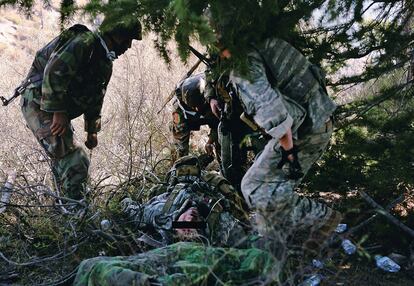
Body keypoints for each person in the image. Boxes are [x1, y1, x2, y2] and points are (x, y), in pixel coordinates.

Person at [208, 37, 342, 255]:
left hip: (305, 130)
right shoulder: (263, 41)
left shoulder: (244, 63)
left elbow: (273, 113)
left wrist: (289, 152)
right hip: (317, 121)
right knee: (267, 183)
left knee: (254, 187)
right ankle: (271, 242)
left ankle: (322, 218)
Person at [19, 15, 141, 199]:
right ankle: (74, 213)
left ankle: (63, 208)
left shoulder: (105, 62)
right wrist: (58, 112)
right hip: (39, 102)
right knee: (74, 159)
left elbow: (96, 97)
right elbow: (54, 72)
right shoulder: (84, 42)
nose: (129, 46)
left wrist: (92, 131)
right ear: (116, 34)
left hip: (53, 106)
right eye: (128, 39)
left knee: (66, 159)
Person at [121, 155, 249, 247]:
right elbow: (246, 238)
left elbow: (135, 212)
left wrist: (124, 201)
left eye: (186, 228)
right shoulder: (218, 223)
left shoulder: (161, 212)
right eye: (197, 228)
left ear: (174, 227)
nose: (191, 220)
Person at [171, 73, 220, 161]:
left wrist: (210, 142)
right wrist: (182, 163)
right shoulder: (178, 112)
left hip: (209, 109)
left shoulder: (212, 95)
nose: (198, 109)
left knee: (222, 140)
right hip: (189, 118)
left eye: (200, 106)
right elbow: (180, 140)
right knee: (180, 152)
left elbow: (218, 124)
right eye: (195, 107)